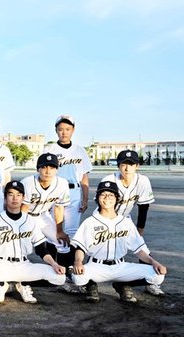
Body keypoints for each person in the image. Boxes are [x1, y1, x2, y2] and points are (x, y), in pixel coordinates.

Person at [71, 181, 167, 303]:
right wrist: (78, 262)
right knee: (78, 277)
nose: (107, 198)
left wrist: (154, 262)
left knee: (158, 275)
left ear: (117, 198)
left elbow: (139, 250)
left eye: (111, 195)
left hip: (121, 266)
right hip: (97, 267)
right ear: (97, 198)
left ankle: (122, 285)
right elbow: (80, 247)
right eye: (103, 194)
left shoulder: (126, 222)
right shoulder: (90, 222)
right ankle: (91, 285)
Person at [0, 181, 67, 303]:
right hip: (2, 264)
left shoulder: (30, 221)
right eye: (11, 194)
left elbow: (41, 249)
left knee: (59, 277)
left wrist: (54, 264)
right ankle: (4, 285)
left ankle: (20, 284)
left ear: (23, 198)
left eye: (18, 195)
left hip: (24, 265)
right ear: (5, 198)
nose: (15, 198)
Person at [101, 150, 161, 296]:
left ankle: (150, 283)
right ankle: (88, 283)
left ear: (137, 166)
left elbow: (143, 206)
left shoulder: (143, 181)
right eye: (124, 164)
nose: (127, 168)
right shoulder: (109, 179)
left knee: (142, 248)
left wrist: (139, 230)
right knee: (98, 249)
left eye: (131, 164)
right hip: (104, 217)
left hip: (125, 219)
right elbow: (102, 204)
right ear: (118, 166)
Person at [20, 153, 74, 291]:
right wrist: (21, 229)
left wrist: (59, 230)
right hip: (25, 216)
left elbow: (59, 208)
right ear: (38, 169)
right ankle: (17, 277)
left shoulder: (62, 183)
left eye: (52, 167)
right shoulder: (28, 182)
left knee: (62, 242)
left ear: (57, 169)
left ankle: (64, 277)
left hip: (43, 216)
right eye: (44, 167)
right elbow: (23, 209)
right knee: (21, 245)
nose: (48, 171)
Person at [42, 115, 92, 258]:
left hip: (74, 191)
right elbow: (43, 175)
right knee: (52, 231)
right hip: (55, 191)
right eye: (61, 129)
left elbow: (84, 177)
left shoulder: (80, 150)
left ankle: (69, 264)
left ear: (73, 130)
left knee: (72, 232)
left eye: (67, 129)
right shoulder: (50, 149)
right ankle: (53, 265)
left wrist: (85, 199)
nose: (64, 132)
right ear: (56, 130)